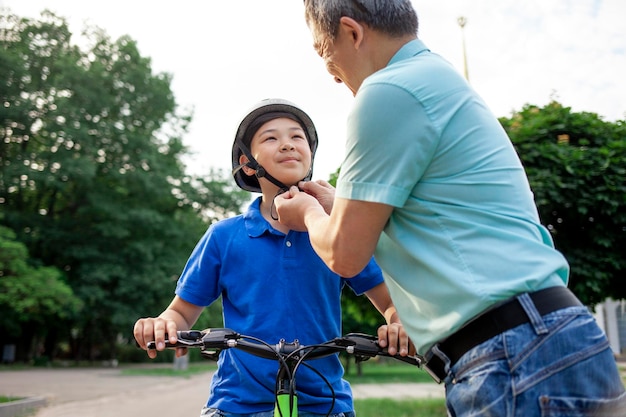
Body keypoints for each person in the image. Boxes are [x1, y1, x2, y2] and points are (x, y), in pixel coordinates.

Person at [274, 2, 626, 416]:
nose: (331, 74)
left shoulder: (386, 91)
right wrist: (338, 204)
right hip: (551, 340)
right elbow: (432, 214)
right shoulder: (433, 79)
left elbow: (345, 255)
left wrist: (309, 215)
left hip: (509, 355)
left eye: (322, 51)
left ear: (351, 32)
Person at [133, 98, 412, 417]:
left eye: (297, 137)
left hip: (324, 403)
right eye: (271, 138)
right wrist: (161, 326)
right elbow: (180, 314)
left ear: (309, 156)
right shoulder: (224, 237)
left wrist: (398, 324)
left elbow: (391, 303)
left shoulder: (334, 232)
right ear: (249, 164)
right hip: (237, 405)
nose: (288, 145)